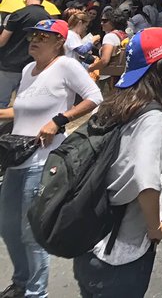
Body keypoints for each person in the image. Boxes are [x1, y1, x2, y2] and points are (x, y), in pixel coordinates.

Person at [75, 28, 162, 298]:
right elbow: (145, 181)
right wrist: (155, 228)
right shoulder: (152, 116)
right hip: (122, 254)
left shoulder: (116, 103)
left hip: (91, 243)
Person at [0, 19, 101, 298]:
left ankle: (36, 292)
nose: (34, 40)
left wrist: (59, 120)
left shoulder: (66, 66)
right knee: (7, 226)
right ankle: (21, 282)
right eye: (33, 35)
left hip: (43, 160)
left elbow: (95, 97)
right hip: (16, 158)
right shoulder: (27, 70)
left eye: (43, 37)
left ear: (59, 42)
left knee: (30, 231)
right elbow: (21, 111)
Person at [0, 0, 52, 108]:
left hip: (9, 64)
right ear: (42, 0)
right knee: (22, 105)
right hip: (32, 66)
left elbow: (2, 41)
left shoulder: (18, 14)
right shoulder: (48, 18)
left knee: (1, 102)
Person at [88, 10, 130, 99]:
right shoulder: (123, 34)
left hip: (109, 76)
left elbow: (104, 60)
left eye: (105, 21)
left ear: (114, 22)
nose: (101, 23)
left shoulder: (109, 36)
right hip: (122, 74)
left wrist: (91, 68)